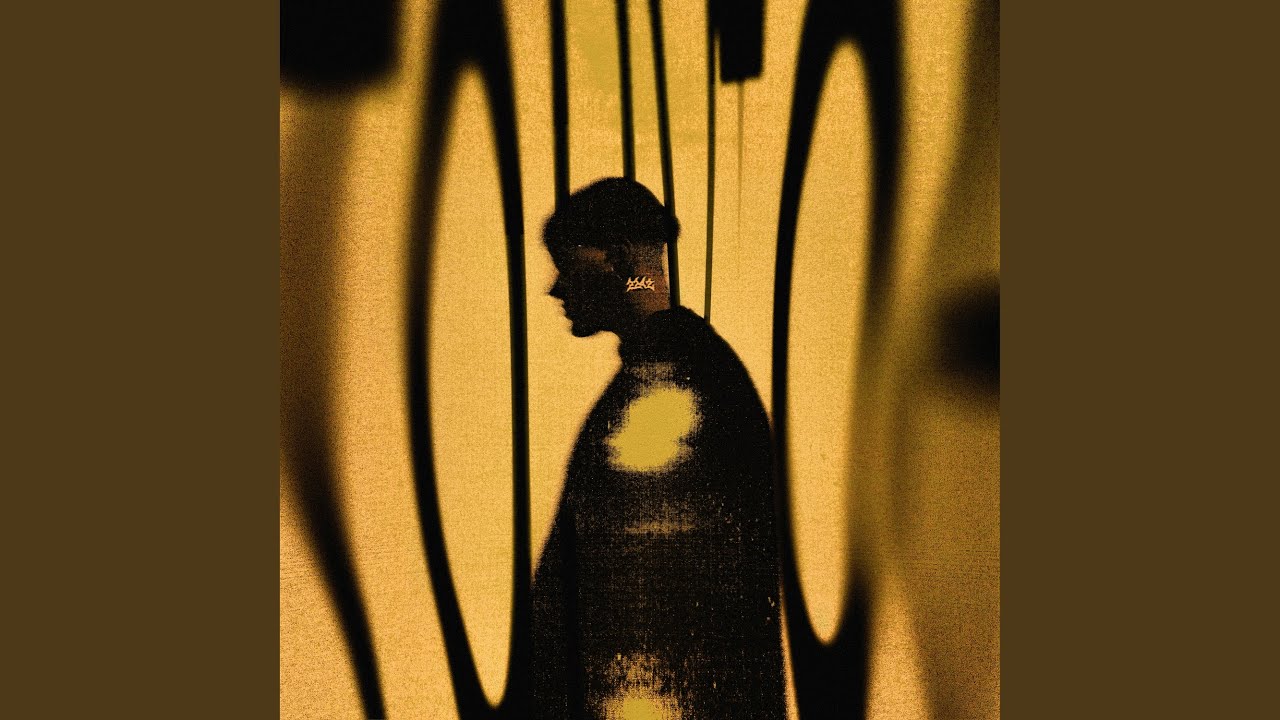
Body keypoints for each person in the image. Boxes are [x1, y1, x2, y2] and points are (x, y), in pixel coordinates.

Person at [531, 177, 786, 719]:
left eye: (569, 264)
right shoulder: (692, 368)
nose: (556, 288)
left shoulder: (669, 379)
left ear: (618, 258)